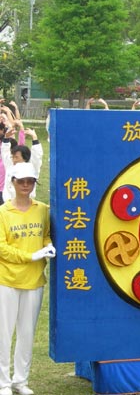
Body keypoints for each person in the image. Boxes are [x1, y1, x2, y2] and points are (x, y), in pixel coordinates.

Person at [0, 163, 55, 395]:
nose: (25, 185)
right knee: (4, 334)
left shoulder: (42, 209)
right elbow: (2, 248)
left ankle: (20, 381)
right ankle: (3, 383)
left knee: (26, 334)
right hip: (7, 280)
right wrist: (30, 256)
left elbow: (46, 235)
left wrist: (48, 247)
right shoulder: (3, 212)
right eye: (21, 181)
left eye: (30, 181)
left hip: (34, 281)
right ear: (12, 182)